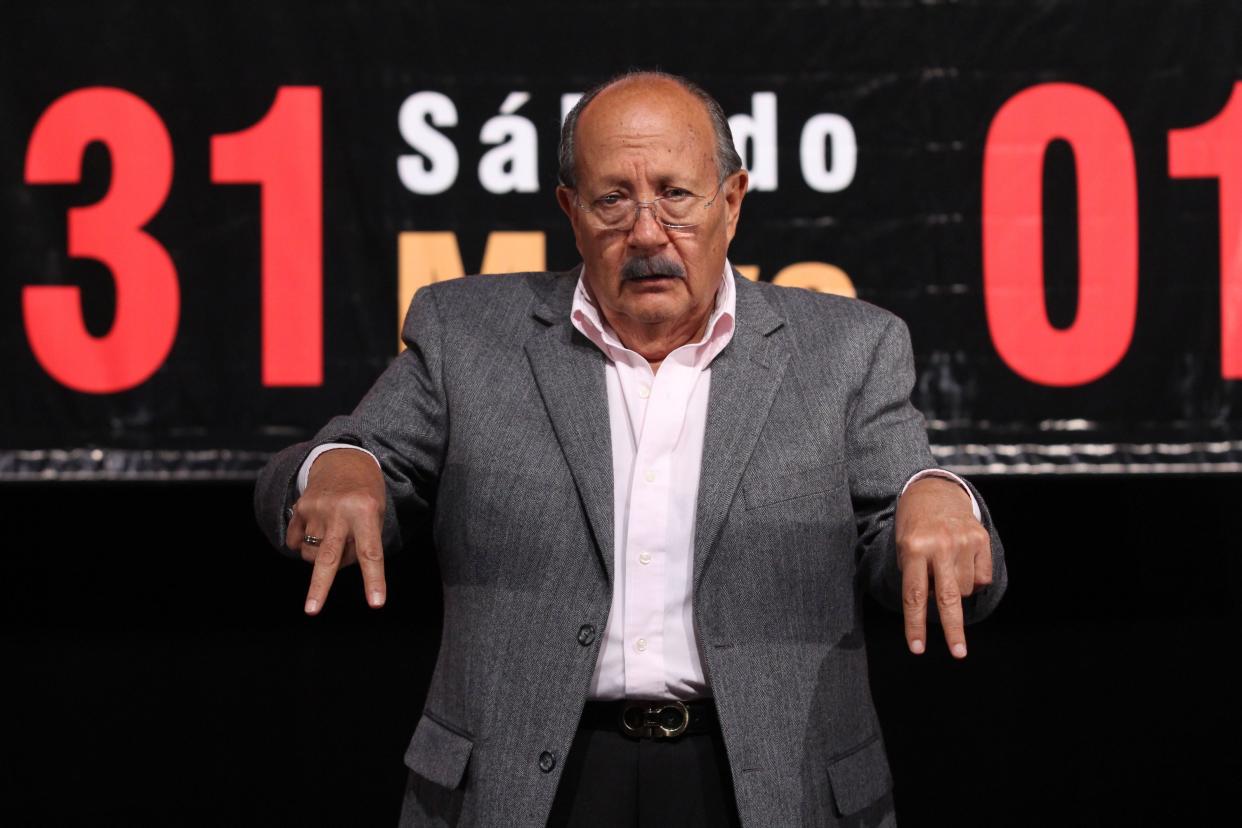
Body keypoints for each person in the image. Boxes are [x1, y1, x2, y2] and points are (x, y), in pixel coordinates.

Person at [254, 70, 1006, 827]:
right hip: (526, 788)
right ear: (570, 212)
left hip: (771, 789)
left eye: (676, 194)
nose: (647, 232)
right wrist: (339, 464)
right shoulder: (467, 334)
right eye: (613, 199)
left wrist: (940, 497)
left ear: (732, 201)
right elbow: (354, 469)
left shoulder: (848, 349)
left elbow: (909, 525)